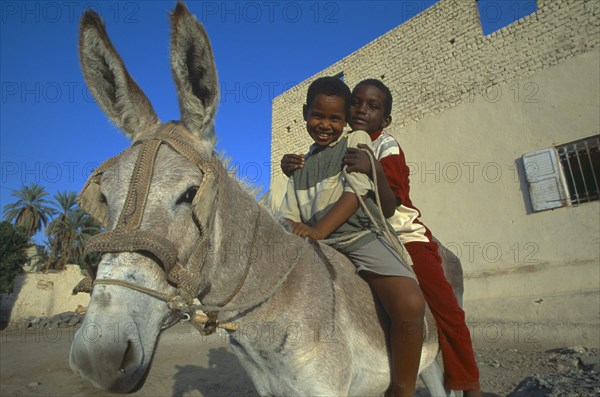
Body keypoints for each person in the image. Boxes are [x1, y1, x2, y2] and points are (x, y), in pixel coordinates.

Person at [281, 79, 482, 397]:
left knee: (443, 308)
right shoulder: (327, 149)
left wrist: (373, 168)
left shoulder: (379, 145)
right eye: (357, 103)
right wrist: (293, 168)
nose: (362, 109)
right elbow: (297, 201)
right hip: (347, 229)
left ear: (385, 118)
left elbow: (389, 205)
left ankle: (466, 383)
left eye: (372, 106)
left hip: (399, 230)